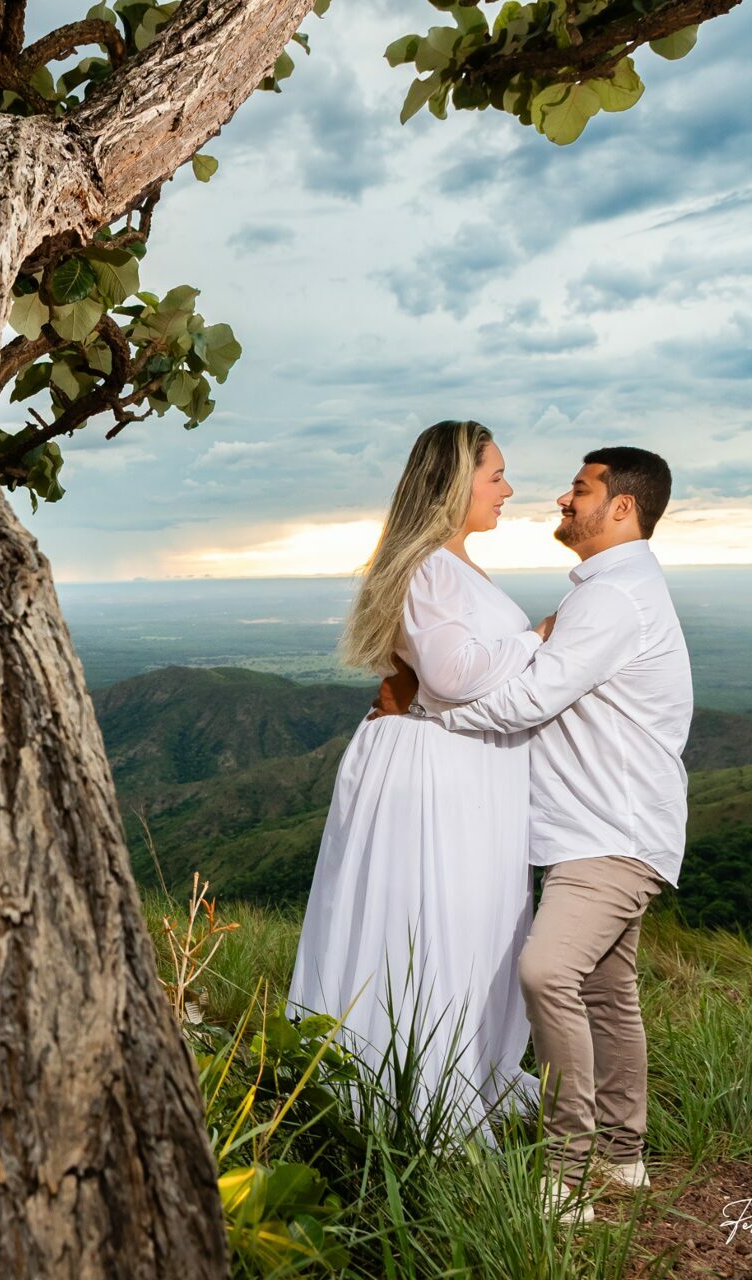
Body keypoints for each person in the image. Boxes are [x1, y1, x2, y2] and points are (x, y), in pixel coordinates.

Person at [404, 447, 693, 1224]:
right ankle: (624, 1156)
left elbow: (533, 697)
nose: (564, 499)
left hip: (610, 833)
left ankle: (566, 1175)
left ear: (622, 507)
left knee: (546, 972)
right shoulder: (615, 588)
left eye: (581, 489)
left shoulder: (614, 597)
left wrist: (429, 714)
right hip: (607, 827)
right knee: (607, 991)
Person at [286, 420, 549, 1142]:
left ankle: (463, 1068)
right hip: (433, 769)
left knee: (467, 920)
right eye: (495, 475)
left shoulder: (451, 564)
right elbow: (452, 674)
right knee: (430, 920)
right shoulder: (431, 566)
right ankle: (414, 1088)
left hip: (457, 764)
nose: (507, 489)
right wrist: (538, 639)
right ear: (455, 483)